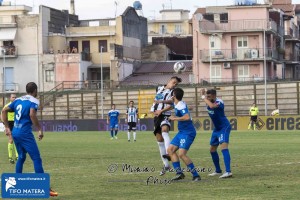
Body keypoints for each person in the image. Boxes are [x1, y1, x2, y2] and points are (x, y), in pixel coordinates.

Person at [1, 82, 58, 196]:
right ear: (35, 91)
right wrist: (39, 129)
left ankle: (16, 183)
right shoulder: (34, 100)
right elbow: (32, 114)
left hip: (16, 132)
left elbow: (3, 111)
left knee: (21, 157)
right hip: (25, 133)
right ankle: (44, 187)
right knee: (36, 158)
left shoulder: (18, 100)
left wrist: (7, 127)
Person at [166, 88, 201, 181]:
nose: (171, 96)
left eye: (172, 94)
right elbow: (171, 105)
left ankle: (196, 175)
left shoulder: (181, 105)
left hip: (188, 133)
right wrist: (159, 103)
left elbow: (187, 117)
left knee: (181, 154)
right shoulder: (177, 103)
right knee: (170, 150)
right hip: (182, 132)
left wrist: (174, 118)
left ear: (174, 96)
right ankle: (179, 173)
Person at [150, 76, 182, 176]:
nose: (174, 84)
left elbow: (172, 104)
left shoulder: (173, 92)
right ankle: (166, 165)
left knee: (165, 131)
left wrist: (161, 109)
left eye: (176, 84)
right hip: (156, 116)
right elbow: (156, 100)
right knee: (159, 140)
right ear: (169, 81)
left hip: (165, 115)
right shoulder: (159, 88)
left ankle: (169, 152)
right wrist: (154, 109)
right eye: (174, 82)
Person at [200, 88, 232, 178]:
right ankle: (218, 170)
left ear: (214, 96)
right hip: (217, 129)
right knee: (212, 150)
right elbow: (209, 105)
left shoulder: (219, 102)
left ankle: (228, 171)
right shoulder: (208, 102)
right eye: (207, 96)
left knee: (224, 148)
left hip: (224, 127)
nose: (208, 98)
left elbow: (212, 106)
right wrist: (204, 95)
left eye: (209, 96)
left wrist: (203, 97)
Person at [1, 94, 18, 164]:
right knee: (11, 139)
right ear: (10, 98)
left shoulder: (17, 105)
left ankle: (17, 156)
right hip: (9, 123)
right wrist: (5, 126)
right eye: (13, 97)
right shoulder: (7, 106)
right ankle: (10, 157)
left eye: (15, 97)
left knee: (16, 139)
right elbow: (2, 115)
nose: (14, 98)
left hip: (16, 123)